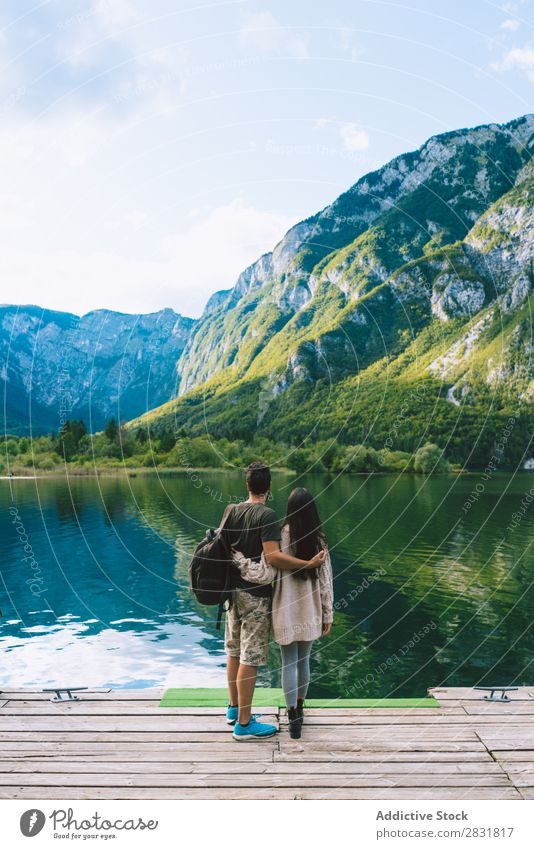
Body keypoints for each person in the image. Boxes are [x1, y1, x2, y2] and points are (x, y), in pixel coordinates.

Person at [221, 463, 325, 741]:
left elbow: (222, 546)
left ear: (247, 486)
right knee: (249, 656)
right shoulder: (266, 514)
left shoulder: (231, 510)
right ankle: (244, 724)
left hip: (231, 593)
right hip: (255, 596)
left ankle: (233, 708)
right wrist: (308, 563)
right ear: (268, 488)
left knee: (233, 650)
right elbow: (274, 558)